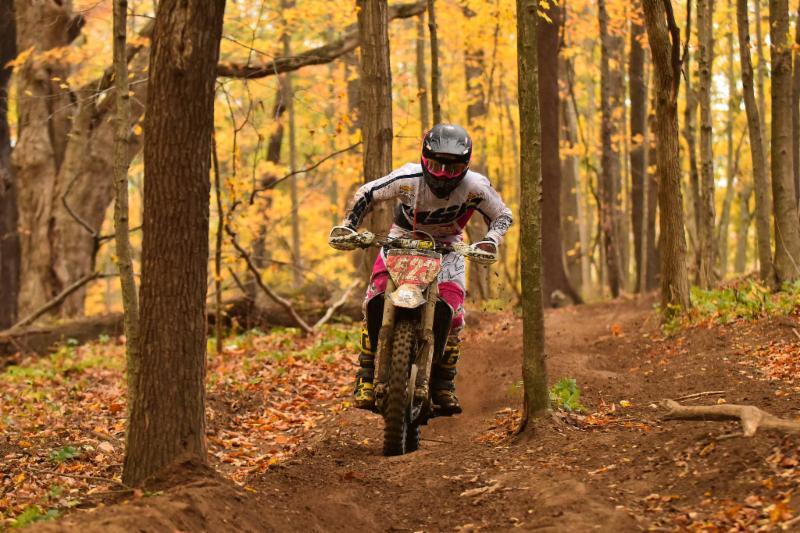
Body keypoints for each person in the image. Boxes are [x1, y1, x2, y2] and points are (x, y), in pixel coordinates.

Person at [329, 124, 513, 414]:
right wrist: (350, 225)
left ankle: (443, 383)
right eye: (436, 164)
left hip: (449, 246)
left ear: (464, 166)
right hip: (400, 240)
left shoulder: (476, 187)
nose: (442, 174)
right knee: (373, 300)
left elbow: (502, 214)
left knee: (453, 315)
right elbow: (368, 192)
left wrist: (490, 240)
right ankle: (365, 377)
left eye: (451, 169)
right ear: (424, 158)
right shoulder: (408, 178)